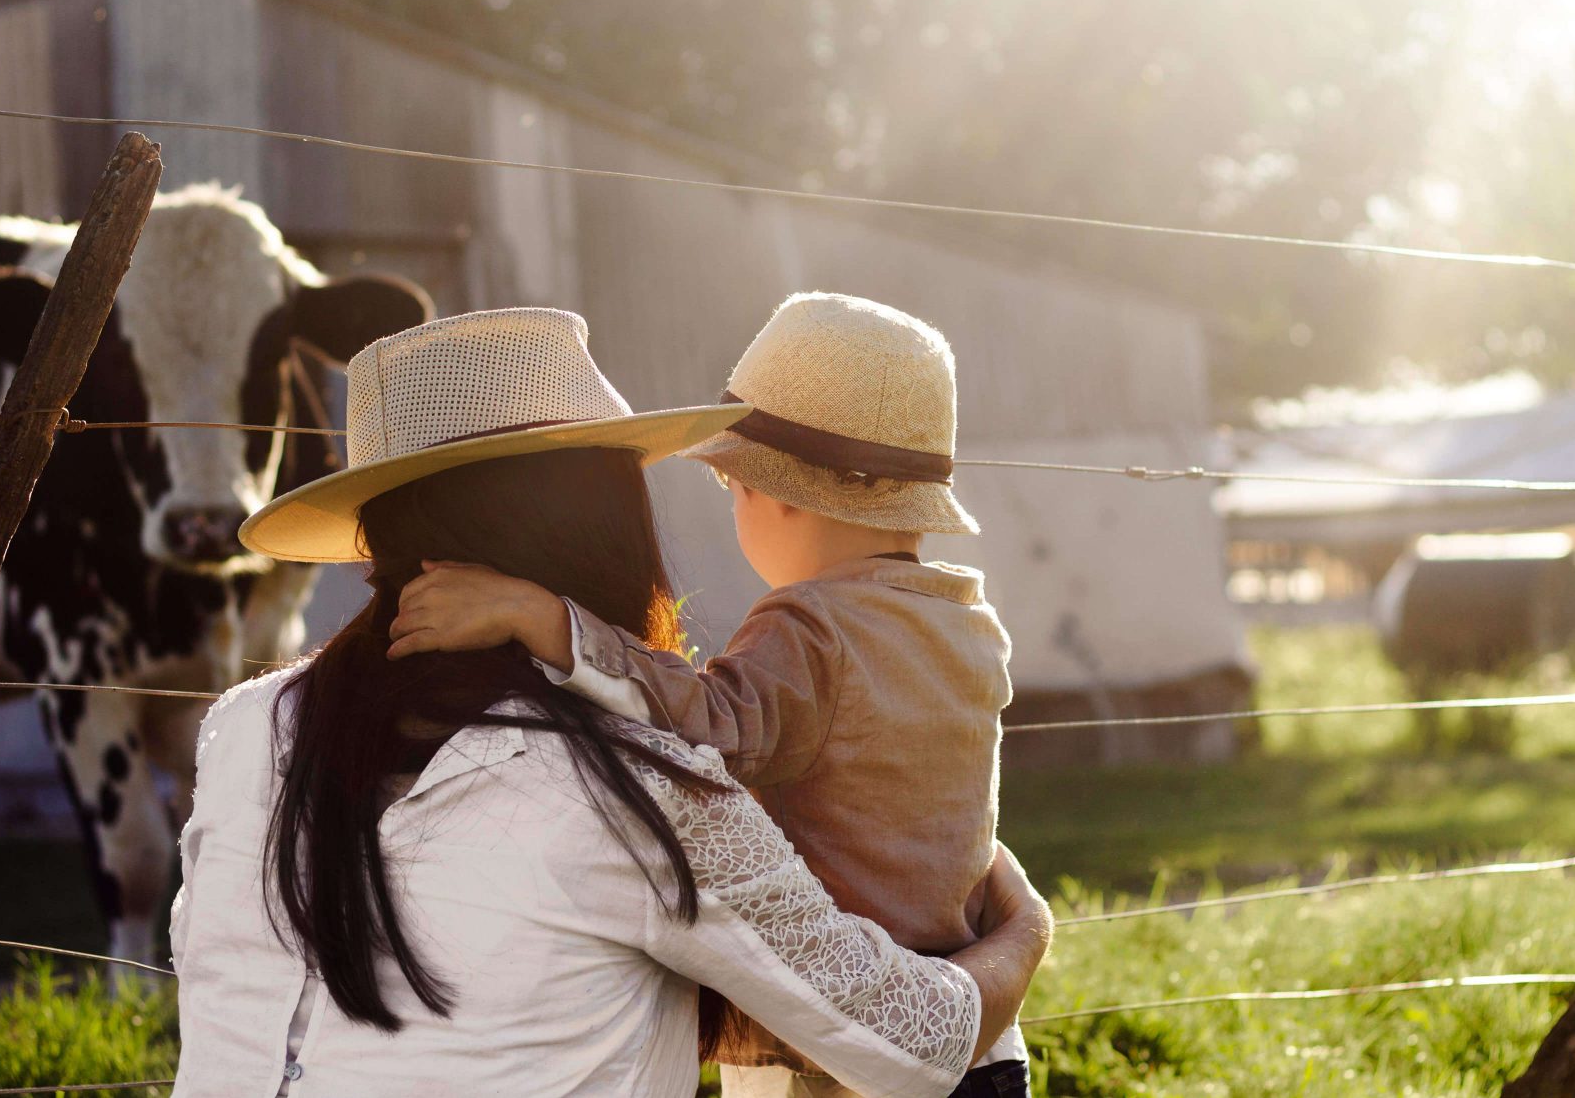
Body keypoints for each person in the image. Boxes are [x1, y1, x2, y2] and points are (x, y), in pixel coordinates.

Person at [169, 307, 1052, 1098]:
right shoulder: (638, 789)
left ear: (381, 530)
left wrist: (551, 624)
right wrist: (1023, 934)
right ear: (603, 522)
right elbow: (909, 1046)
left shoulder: (246, 731)